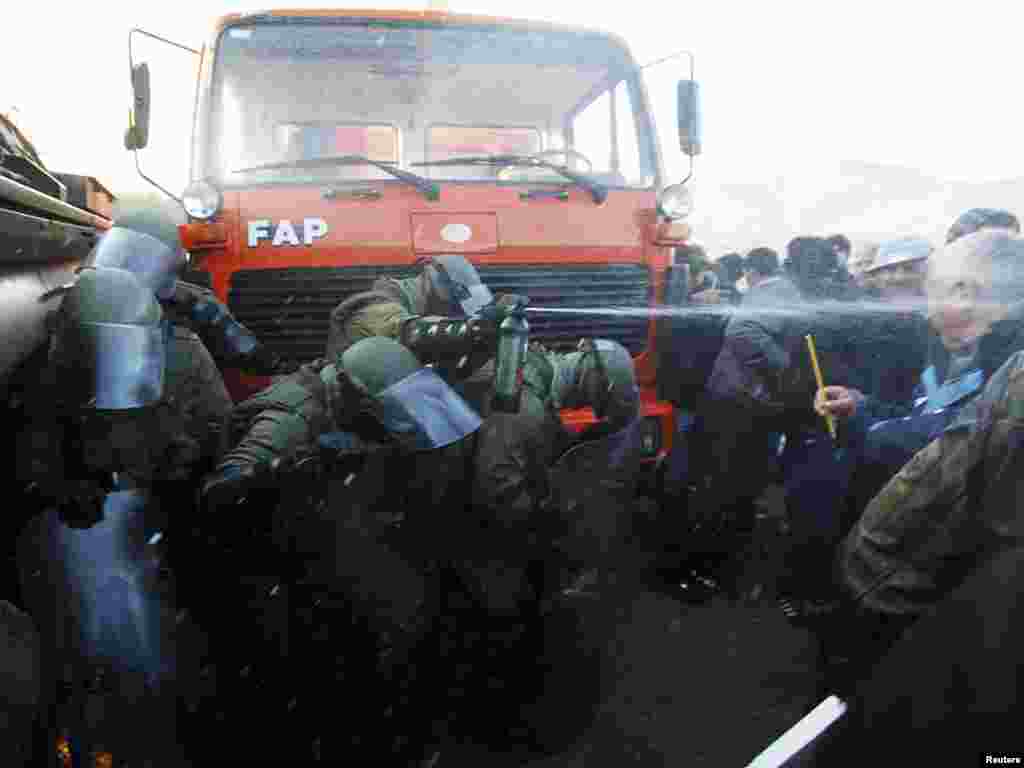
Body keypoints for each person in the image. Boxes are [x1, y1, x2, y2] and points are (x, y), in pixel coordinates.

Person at [16, 266, 221, 766]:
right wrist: (68, 488)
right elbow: (32, 452)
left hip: (159, 520)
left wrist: (183, 462)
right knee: (103, 650)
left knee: (163, 648)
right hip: (87, 534)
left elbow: (211, 432)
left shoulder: (182, 361)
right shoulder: (45, 379)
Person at [784, 231, 1024, 624]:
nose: (927, 315)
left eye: (933, 296)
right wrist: (860, 405)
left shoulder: (1012, 372)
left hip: (932, 577)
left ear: (967, 293)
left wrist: (866, 426)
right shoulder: (957, 349)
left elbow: (940, 441)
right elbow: (918, 414)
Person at [85, 203, 288, 376]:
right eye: (122, 253)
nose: (127, 266)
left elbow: (249, 352)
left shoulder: (196, 304)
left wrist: (279, 369)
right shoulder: (72, 302)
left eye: (138, 257)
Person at [857, 237, 932, 302]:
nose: (899, 277)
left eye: (909, 269)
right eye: (891, 269)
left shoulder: (922, 297)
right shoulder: (866, 302)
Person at [945, 207, 1019, 244]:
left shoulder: (965, 223)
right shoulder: (963, 223)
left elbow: (979, 225)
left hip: (1009, 220)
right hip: (1007, 221)